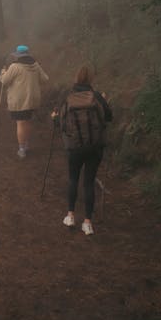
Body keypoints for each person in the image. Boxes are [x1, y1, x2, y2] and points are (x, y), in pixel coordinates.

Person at [52, 64, 113, 236]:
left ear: (76, 78)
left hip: (74, 147)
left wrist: (54, 119)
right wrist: (105, 101)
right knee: (89, 182)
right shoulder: (97, 97)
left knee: (73, 179)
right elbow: (108, 117)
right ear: (91, 79)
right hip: (95, 147)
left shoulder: (67, 96)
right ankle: (87, 223)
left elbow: (61, 123)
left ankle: (70, 215)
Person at [0, 45, 49, 158]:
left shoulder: (14, 66)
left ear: (17, 55)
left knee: (20, 123)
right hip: (32, 99)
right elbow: (45, 79)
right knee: (27, 121)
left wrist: (2, 72)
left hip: (19, 100)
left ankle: (22, 149)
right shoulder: (35, 65)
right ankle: (26, 144)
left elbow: (4, 81)